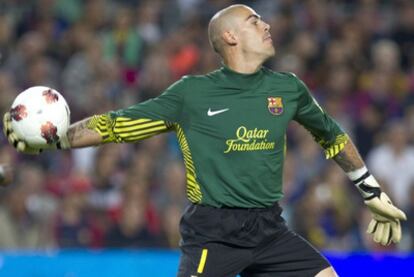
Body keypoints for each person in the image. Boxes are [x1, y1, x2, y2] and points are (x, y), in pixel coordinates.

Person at [2, 4, 407, 277]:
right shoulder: (191, 94)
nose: (266, 26)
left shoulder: (288, 89)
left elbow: (331, 135)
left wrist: (370, 191)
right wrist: (55, 141)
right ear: (230, 37)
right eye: (253, 21)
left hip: (270, 228)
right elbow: (116, 125)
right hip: (214, 232)